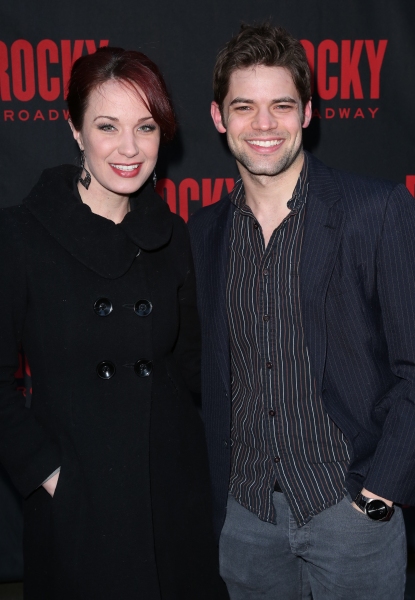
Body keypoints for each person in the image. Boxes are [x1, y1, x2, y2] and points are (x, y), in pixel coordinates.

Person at [188, 22, 414, 600]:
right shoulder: (206, 231)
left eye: (281, 105)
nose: (264, 125)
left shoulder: (376, 211)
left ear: (307, 113)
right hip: (246, 521)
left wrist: (380, 490)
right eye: (245, 107)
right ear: (219, 118)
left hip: (352, 513)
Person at [0, 46, 227, 600]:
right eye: (108, 126)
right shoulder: (21, 236)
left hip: (173, 499)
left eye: (145, 127)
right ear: (75, 130)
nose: (129, 149)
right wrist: (50, 475)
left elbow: (195, 365)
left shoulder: (172, 236)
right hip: (80, 505)